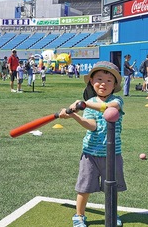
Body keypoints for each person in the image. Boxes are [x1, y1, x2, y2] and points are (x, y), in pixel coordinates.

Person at [58, 61, 126, 227]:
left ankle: (111, 214)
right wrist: (73, 115)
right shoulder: (90, 104)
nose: (103, 83)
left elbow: (109, 107)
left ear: (115, 85)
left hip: (113, 154)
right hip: (90, 154)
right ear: (92, 82)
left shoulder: (117, 101)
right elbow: (92, 125)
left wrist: (84, 103)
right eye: (99, 79)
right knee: (85, 187)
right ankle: (79, 216)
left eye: (109, 81)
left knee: (112, 189)